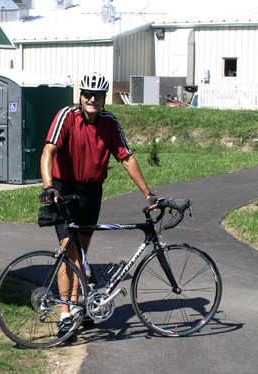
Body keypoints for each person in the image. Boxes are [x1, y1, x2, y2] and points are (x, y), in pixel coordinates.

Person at [39, 72, 157, 336]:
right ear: (80, 96)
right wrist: (48, 187)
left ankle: (79, 308)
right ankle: (66, 314)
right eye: (88, 95)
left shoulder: (109, 123)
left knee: (81, 254)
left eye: (99, 96)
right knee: (68, 251)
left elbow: (126, 158)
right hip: (63, 190)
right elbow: (49, 150)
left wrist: (148, 193)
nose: (93, 99)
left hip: (92, 193)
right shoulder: (66, 117)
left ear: (104, 99)